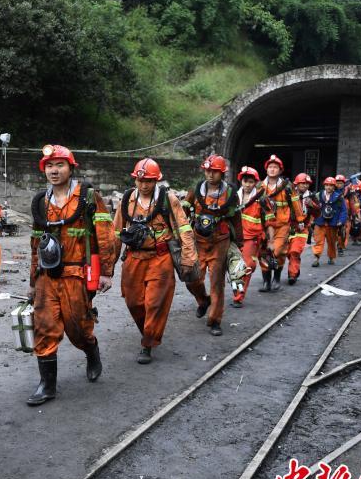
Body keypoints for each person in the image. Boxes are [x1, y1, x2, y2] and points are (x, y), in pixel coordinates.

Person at [26, 145, 117, 404]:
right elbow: (36, 243)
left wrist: (106, 272)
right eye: (49, 166)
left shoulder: (88, 197)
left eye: (60, 165)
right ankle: (47, 385)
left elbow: (105, 235)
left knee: (78, 327)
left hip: (77, 272)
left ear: (71, 167)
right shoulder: (41, 202)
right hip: (47, 275)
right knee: (43, 326)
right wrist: (32, 281)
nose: (54, 171)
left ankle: (91, 350)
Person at [113, 158, 197, 364]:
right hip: (134, 258)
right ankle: (148, 331)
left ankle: (148, 344)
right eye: (140, 181)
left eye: (149, 181)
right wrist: (107, 268)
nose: (144, 185)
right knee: (133, 302)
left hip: (160, 258)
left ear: (156, 181)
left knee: (154, 303)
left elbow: (184, 229)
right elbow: (115, 233)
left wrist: (188, 257)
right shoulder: (127, 200)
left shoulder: (168, 200)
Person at [185, 154, 243, 336]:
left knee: (217, 282)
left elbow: (236, 218)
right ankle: (203, 301)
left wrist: (239, 243)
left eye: (215, 171)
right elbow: (184, 213)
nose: (210, 174)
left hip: (220, 240)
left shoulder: (230, 194)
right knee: (192, 278)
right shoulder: (195, 191)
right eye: (207, 170)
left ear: (222, 173)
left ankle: (215, 321)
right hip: (198, 241)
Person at [257, 155, 305, 290]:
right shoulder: (260, 186)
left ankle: (276, 278)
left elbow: (296, 204)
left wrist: (300, 220)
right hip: (264, 225)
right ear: (266, 169)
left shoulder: (287, 186)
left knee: (278, 251)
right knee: (264, 252)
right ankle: (266, 282)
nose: (272, 170)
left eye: (275, 167)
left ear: (280, 170)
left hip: (282, 224)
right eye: (270, 167)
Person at [232, 166, 267, 307]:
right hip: (233, 238)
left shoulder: (261, 200)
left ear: (255, 183)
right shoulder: (233, 197)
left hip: (251, 239)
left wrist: (267, 240)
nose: (247, 184)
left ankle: (239, 297)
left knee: (248, 266)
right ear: (241, 181)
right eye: (245, 181)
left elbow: (268, 220)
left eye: (251, 182)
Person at [286, 173, 315, 285]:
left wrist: (312, 205)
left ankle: (292, 274)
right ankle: (295, 267)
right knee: (287, 252)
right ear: (296, 184)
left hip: (303, 229)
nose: (305, 185)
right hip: (288, 227)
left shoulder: (312, 196)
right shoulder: (288, 195)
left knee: (295, 251)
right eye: (303, 183)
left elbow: (317, 213)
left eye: (307, 183)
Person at [313, 176, 346, 266]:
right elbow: (313, 208)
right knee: (318, 241)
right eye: (327, 185)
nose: (328, 187)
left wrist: (341, 221)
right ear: (324, 186)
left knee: (331, 242)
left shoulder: (339, 197)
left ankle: (331, 257)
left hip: (333, 223)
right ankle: (316, 259)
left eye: (331, 185)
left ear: (334, 186)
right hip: (320, 222)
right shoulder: (318, 195)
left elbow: (343, 210)